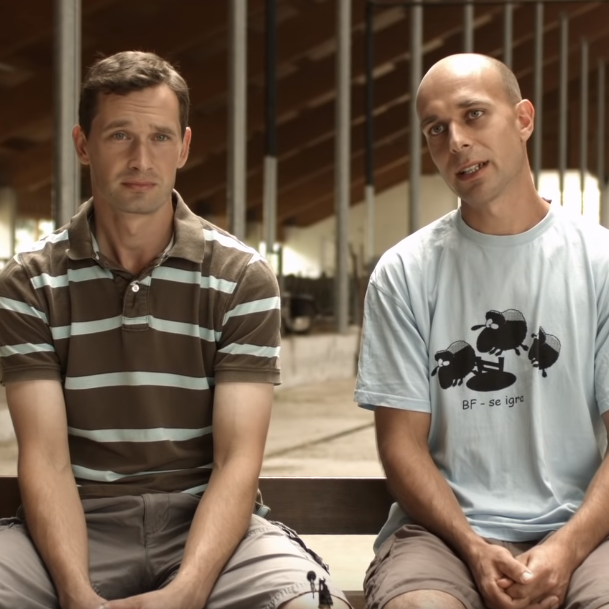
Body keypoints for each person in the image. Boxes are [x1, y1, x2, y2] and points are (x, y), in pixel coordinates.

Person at [0, 51, 350, 609]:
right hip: (77, 523)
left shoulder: (240, 276)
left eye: (160, 137)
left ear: (183, 147)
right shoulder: (30, 280)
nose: (141, 158)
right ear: (83, 144)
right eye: (119, 135)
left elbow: (237, 463)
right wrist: (75, 594)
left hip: (209, 529)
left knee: (307, 602)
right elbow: (46, 459)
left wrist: (188, 591)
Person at [355, 53, 609, 609]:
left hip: (584, 527)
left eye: (473, 115)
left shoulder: (599, 262)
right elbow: (401, 445)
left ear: (523, 119)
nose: (457, 142)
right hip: (444, 532)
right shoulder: (405, 272)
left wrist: (567, 548)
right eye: (436, 129)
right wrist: (473, 547)